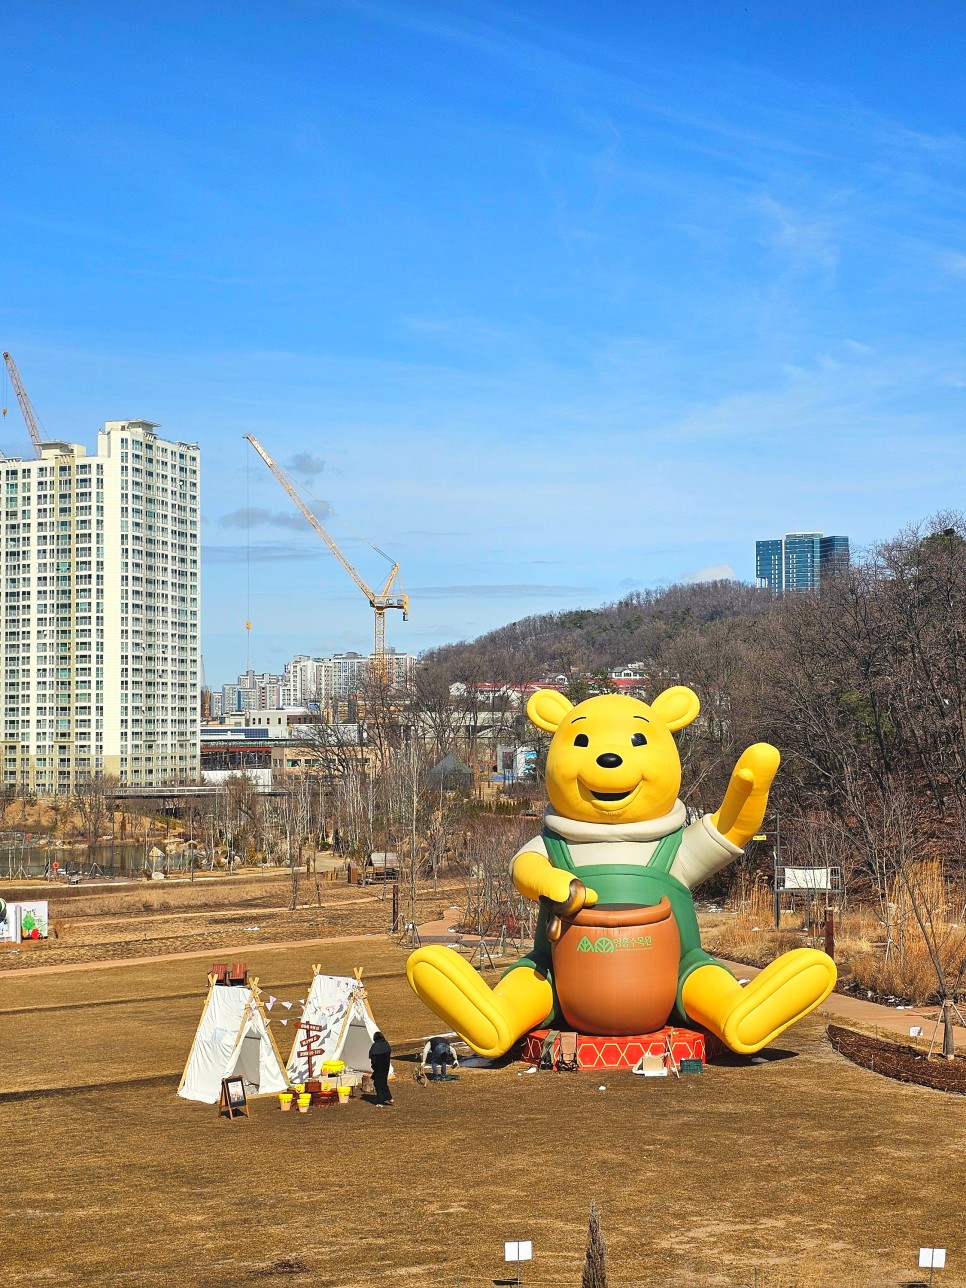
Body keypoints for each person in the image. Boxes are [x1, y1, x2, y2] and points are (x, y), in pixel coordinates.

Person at [368, 1030, 393, 1107]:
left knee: (378, 1084)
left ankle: (380, 1101)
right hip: (386, 1067)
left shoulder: (375, 1046)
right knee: (383, 1083)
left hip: (378, 1068)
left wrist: (373, 1066)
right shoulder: (386, 1044)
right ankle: (389, 1097)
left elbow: (372, 1056)